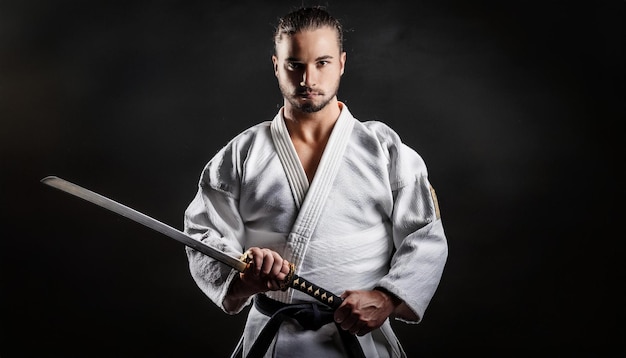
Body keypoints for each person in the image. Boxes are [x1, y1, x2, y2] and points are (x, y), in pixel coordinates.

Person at [184, 6, 448, 358]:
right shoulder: (241, 154)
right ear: (277, 65)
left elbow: (426, 236)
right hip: (276, 340)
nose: (308, 78)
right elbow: (202, 235)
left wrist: (387, 298)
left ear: (341, 63)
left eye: (322, 63)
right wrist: (246, 276)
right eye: (295, 64)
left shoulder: (385, 150)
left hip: (361, 340)